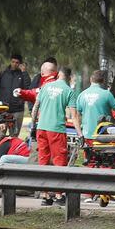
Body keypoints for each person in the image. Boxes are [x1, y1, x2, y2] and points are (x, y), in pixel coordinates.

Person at [35, 71, 83, 205]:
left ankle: (45, 195)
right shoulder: (68, 91)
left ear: (58, 76)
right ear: (70, 78)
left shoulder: (45, 87)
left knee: (43, 160)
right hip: (56, 129)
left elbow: (35, 107)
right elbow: (74, 117)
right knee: (59, 159)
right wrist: (80, 134)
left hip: (41, 127)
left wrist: (34, 125)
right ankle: (58, 195)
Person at [77, 70, 115, 144]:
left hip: (87, 135)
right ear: (103, 81)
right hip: (103, 135)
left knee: (88, 155)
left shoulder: (81, 95)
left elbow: (78, 115)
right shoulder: (106, 94)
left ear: (91, 79)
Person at [0, 54, 31, 137]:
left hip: (17, 110)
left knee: (14, 136)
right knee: (0, 136)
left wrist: (24, 72)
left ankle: (12, 150)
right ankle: (0, 150)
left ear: (20, 64)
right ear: (10, 61)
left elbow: (28, 88)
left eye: (17, 62)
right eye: (13, 62)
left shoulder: (23, 75)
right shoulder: (3, 73)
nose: (14, 64)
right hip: (2, 110)